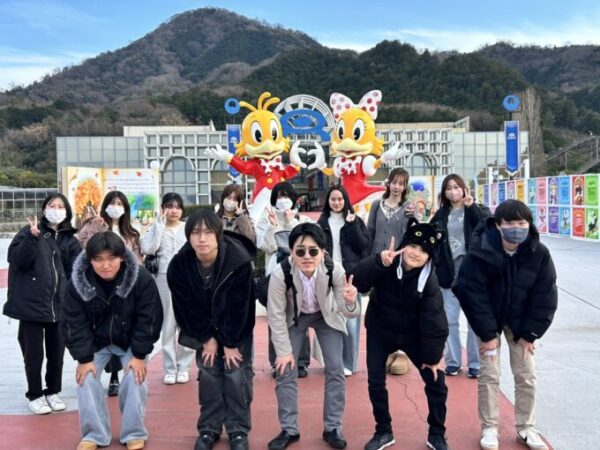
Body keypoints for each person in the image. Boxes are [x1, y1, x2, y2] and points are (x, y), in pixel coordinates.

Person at [453, 199, 557, 450]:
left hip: (521, 322)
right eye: (510, 223)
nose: (516, 228)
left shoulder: (538, 253)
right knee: (490, 373)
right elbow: (471, 293)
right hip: (489, 318)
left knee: (526, 373)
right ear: (498, 225)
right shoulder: (480, 251)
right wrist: (488, 334)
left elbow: (545, 295)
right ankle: (490, 427)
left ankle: (526, 427)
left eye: (522, 223)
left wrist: (531, 334)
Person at [351, 219, 450, 450]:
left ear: (429, 257)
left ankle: (437, 433)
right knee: (376, 382)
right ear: (404, 246)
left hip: (413, 335)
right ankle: (383, 431)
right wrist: (377, 262)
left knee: (436, 380)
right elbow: (357, 281)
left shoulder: (429, 280)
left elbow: (435, 320)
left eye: (424, 250)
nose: (416, 253)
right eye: (413, 246)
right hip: (380, 330)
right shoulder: (386, 263)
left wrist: (433, 358)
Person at [63, 231, 162, 450]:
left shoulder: (140, 279)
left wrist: (139, 354)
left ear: (122, 257)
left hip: (129, 341)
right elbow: (73, 322)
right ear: (90, 260)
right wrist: (83, 358)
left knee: (135, 377)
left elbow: (150, 318)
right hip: (96, 342)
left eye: (111, 258)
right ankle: (94, 434)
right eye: (98, 259)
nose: (105, 265)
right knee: (86, 379)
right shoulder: (78, 282)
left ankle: (134, 432)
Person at [168, 210, 256, 450]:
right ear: (188, 236)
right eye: (196, 233)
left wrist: (230, 342)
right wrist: (207, 337)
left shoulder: (238, 261)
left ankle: (238, 429)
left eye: (208, 232)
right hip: (202, 327)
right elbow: (185, 308)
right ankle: (209, 427)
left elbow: (241, 306)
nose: (202, 239)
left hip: (235, 327)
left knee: (236, 373)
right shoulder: (179, 266)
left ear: (218, 235)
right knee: (208, 372)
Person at [267, 223, 360, 450]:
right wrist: (284, 352)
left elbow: (348, 312)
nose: (307, 256)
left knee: (336, 369)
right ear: (291, 252)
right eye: (300, 251)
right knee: (285, 370)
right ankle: (289, 429)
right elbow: (275, 315)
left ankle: (333, 428)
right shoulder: (280, 274)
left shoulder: (334, 269)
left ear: (323, 251)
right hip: (295, 318)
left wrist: (350, 302)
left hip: (325, 316)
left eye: (313, 250)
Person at [4, 193, 81, 414]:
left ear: (67, 211)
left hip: (60, 305)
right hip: (32, 305)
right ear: (44, 209)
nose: (56, 209)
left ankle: (53, 391)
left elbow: (77, 270)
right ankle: (35, 394)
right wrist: (32, 238)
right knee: (33, 353)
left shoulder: (70, 239)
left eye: (60, 206)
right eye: (51, 205)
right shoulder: (29, 232)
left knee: (57, 353)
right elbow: (17, 260)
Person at [76, 190, 143, 396]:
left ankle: (116, 375)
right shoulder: (93, 225)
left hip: (125, 288)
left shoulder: (131, 232)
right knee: (105, 329)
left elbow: (138, 259)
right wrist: (96, 227)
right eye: (112, 203)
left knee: (122, 329)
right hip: (100, 289)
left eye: (120, 204)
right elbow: (82, 246)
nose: (115, 207)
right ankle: (111, 373)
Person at [430, 174, 486, 379]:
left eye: (456, 187)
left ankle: (475, 363)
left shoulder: (476, 209)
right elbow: (431, 238)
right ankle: (453, 361)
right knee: (449, 319)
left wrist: (472, 207)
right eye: (448, 188)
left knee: (474, 320)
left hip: (472, 272)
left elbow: (486, 228)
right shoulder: (441, 214)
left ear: (464, 189)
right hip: (448, 272)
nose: (453, 191)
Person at [255, 181, 312, 378]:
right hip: (275, 273)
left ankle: (301, 361)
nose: (282, 200)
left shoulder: (302, 219)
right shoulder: (266, 218)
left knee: (300, 316)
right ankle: (277, 362)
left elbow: (305, 244)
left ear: (294, 198)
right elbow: (267, 246)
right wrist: (273, 226)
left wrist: (291, 222)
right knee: (276, 317)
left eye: (286, 196)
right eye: (279, 196)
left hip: (299, 274)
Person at [139, 192, 194, 385]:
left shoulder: (188, 228)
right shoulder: (156, 227)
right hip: (163, 278)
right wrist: (159, 226)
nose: (174, 211)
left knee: (188, 323)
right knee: (168, 324)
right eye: (169, 206)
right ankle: (170, 368)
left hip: (187, 279)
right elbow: (148, 249)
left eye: (177, 207)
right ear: (163, 209)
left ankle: (184, 366)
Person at [317, 185, 370, 375]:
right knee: (329, 320)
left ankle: (349, 363)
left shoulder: (355, 221)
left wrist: (351, 225)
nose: (337, 202)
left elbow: (363, 246)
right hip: (328, 276)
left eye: (340, 199)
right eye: (333, 199)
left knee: (350, 322)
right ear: (328, 201)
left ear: (345, 200)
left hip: (350, 277)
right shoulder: (321, 222)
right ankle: (332, 361)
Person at [367, 167, 415, 375]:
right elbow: (369, 232)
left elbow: (412, 235)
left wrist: (414, 216)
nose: (396, 187)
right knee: (379, 305)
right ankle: (387, 349)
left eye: (401, 183)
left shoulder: (408, 208)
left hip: (398, 264)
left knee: (400, 306)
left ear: (405, 187)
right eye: (394, 182)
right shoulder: (376, 205)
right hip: (378, 262)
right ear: (388, 183)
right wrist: (367, 261)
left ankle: (402, 352)